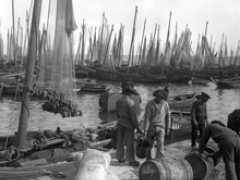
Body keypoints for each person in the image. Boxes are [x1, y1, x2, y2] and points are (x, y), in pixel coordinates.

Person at [116, 81, 143, 167]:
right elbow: (133, 118)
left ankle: (120, 158)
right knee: (130, 143)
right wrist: (138, 128)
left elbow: (117, 113)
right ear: (130, 93)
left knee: (120, 141)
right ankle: (131, 160)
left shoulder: (119, 100)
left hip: (120, 122)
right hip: (128, 124)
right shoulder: (130, 102)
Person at [143, 88, 171, 159]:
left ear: (163, 98)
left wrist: (168, 128)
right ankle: (149, 160)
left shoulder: (165, 104)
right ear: (155, 96)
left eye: (161, 97)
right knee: (150, 146)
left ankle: (159, 161)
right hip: (152, 128)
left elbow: (168, 117)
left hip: (161, 128)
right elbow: (147, 118)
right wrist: (145, 130)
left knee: (161, 146)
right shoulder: (150, 104)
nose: (159, 99)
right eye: (158, 97)